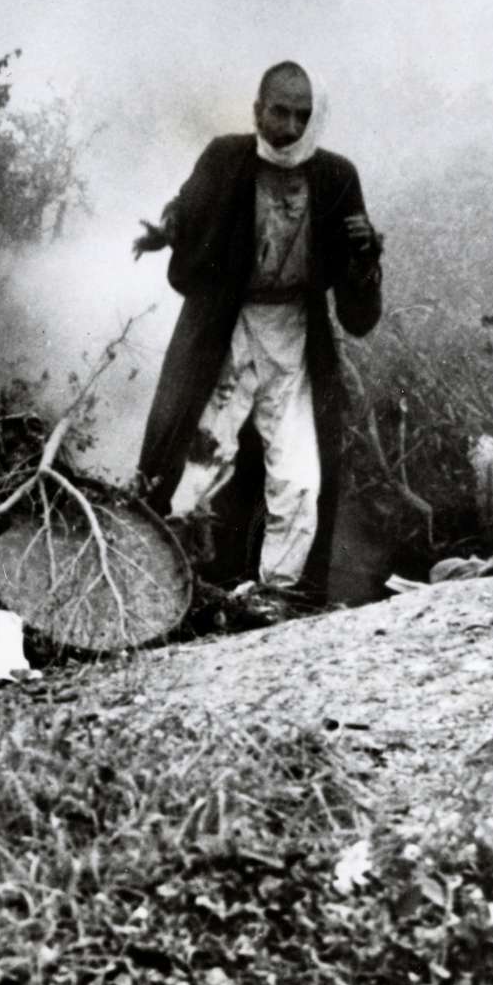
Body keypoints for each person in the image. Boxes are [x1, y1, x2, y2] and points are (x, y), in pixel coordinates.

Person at [132, 61, 383, 613]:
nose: (290, 127)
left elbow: (358, 309)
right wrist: (170, 230)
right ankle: (162, 592)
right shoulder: (225, 159)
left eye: (302, 115)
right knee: (196, 465)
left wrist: (366, 255)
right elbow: (187, 212)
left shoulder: (337, 177)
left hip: (294, 337)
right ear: (257, 110)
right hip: (225, 332)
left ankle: (276, 597)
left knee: (298, 477)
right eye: (279, 111)